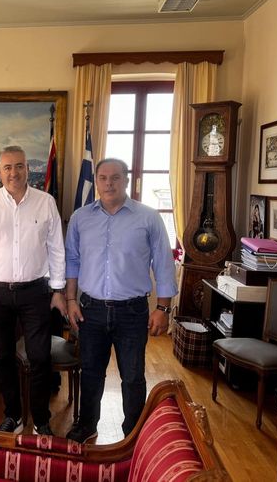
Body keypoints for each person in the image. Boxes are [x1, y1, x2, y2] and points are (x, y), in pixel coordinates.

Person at [65, 158, 178, 443]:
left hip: (132, 311)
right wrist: (70, 299)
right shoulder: (80, 218)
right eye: (103, 178)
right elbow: (72, 261)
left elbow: (163, 264)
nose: (109, 183)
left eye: (115, 177)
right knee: (91, 372)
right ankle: (86, 425)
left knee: (132, 375)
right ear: (96, 181)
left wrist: (162, 308)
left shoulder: (148, 217)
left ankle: (133, 433)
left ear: (126, 180)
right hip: (91, 310)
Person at [0, 145, 66, 436]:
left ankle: (41, 419)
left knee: (40, 357)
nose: (14, 172)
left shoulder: (45, 202)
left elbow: (56, 249)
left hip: (36, 292)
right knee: (2, 356)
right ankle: (13, 416)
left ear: (27, 169)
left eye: (19, 166)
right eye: (7, 167)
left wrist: (58, 289)